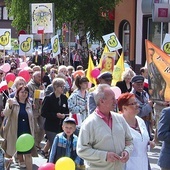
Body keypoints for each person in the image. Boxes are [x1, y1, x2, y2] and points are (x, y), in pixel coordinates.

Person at [77, 84, 133, 170]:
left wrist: (127, 151)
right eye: (112, 99)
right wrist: (104, 156)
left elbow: (129, 140)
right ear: (102, 101)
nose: (115, 101)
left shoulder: (119, 119)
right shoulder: (89, 123)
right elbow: (82, 150)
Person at [117, 92, 155, 170]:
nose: (137, 105)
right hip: (127, 166)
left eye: (136, 102)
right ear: (124, 108)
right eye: (133, 103)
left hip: (143, 165)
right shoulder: (118, 124)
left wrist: (149, 144)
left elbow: (143, 142)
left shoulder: (140, 121)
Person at [3, 86, 36, 169]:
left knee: (28, 154)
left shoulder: (29, 103)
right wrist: (9, 106)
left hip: (26, 131)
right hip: (14, 131)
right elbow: (6, 114)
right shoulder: (11, 101)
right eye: (22, 92)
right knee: (9, 153)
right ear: (17, 93)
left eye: (26, 92)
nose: (24, 94)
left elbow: (33, 118)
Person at [41, 78, 69, 146]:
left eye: (63, 86)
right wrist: (55, 115)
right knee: (55, 144)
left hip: (61, 126)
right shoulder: (48, 98)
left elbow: (67, 111)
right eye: (61, 87)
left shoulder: (64, 98)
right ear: (56, 87)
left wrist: (64, 115)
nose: (63, 88)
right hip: (51, 127)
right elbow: (43, 112)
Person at [131, 75, 154, 140]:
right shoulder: (131, 97)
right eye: (138, 85)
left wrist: (152, 118)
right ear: (133, 85)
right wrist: (149, 106)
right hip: (137, 123)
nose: (140, 87)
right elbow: (138, 113)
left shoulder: (145, 94)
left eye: (141, 84)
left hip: (147, 122)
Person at [27, 71, 45, 150]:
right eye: (38, 76)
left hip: (41, 108)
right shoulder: (30, 85)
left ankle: (38, 142)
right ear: (33, 77)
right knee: (34, 128)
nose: (40, 78)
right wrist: (38, 91)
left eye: (41, 76)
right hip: (34, 109)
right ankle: (33, 144)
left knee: (43, 127)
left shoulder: (42, 85)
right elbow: (30, 97)